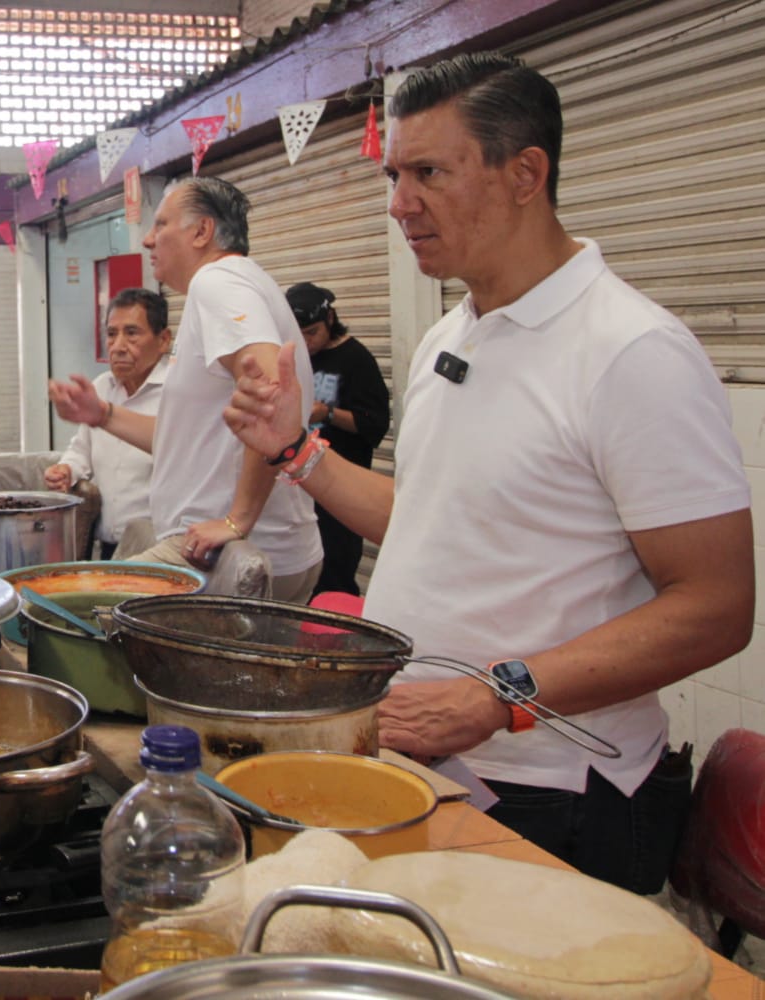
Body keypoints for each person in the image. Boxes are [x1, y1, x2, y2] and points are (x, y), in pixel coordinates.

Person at [223, 52, 752, 893]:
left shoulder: (631, 352)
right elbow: (429, 518)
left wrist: (497, 698)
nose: (400, 203)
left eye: (429, 172)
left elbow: (717, 609)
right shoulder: (451, 336)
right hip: (432, 763)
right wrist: (297, 452)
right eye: (396, 173)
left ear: (524, 174)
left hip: (555, 792)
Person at [48, 176, 322, 602]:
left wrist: (237, 520)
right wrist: (102, 414)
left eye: (160, 224)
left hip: (225, 555)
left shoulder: (218, 282)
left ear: (201, 231)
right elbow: (184, 440)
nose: (146, 239)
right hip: (249, 549)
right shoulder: (236, 282)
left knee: (65, 604)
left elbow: (273, 390)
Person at [43, 288, 172, 559]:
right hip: (109, 547)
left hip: (161, 547)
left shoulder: (177, 393)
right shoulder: (101, 387)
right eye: (112, 334)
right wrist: (67, 469)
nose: (118, 346)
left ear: (163, 340)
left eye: (132, 333)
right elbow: (81, 449)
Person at [284, 282, 389, 596]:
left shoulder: (355, 359)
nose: (305, 342)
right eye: (297, 334)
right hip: (299, 493)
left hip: (341, 494)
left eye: (312, 332)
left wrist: (327, 414)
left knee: (335, 580)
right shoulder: (294, 356)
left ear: (330, 319)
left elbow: (374, 424)